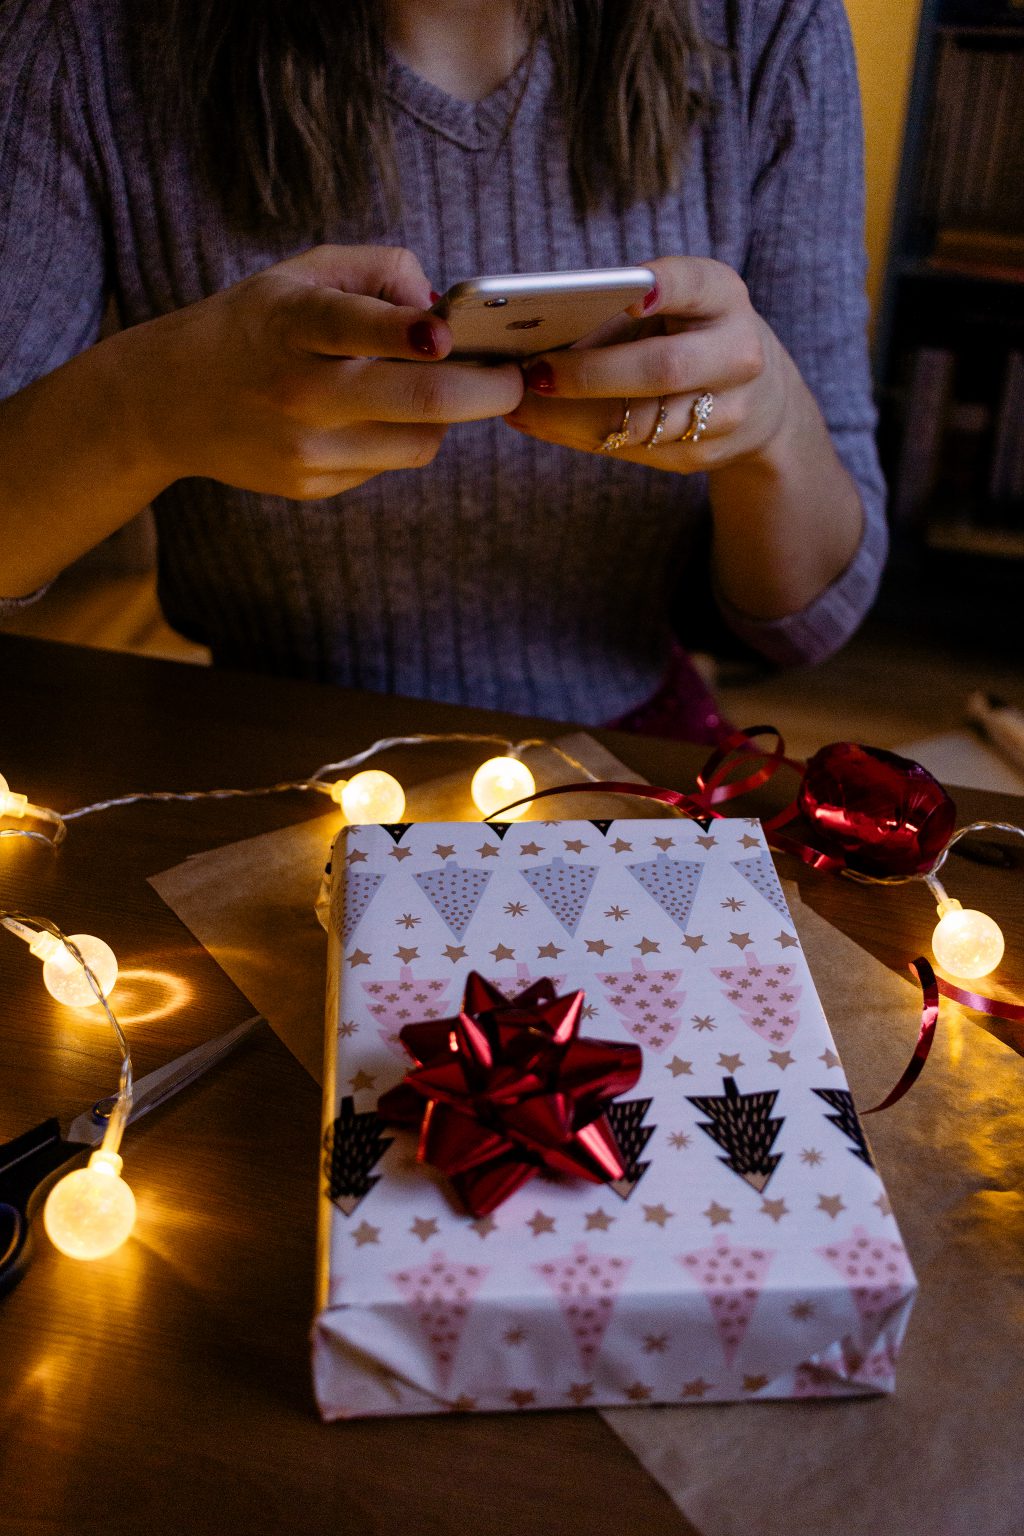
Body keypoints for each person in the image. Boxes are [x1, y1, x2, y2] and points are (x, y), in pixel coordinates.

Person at [0, 0, 886, 742]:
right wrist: (145, 410)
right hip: (260, 752)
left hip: (628, 764)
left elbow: (810, 617)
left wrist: (770, 424)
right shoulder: (85, 38)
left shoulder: (770, 27)